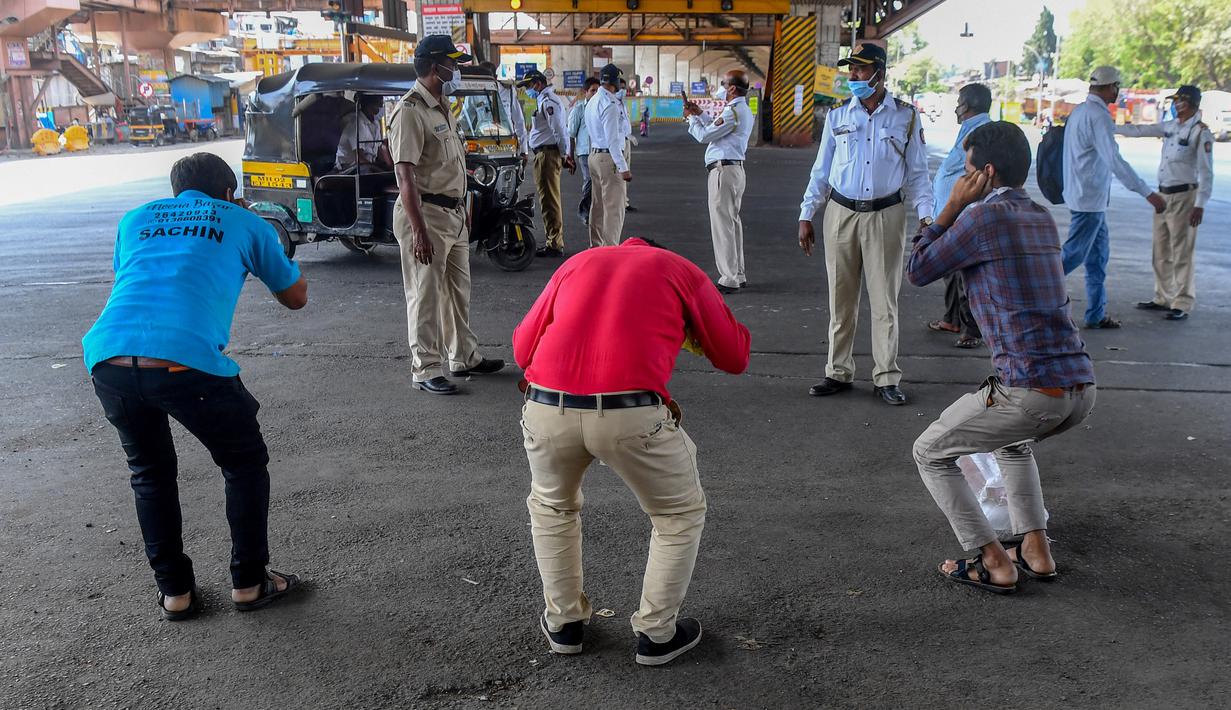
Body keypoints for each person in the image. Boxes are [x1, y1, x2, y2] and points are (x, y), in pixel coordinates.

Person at [82, 152, 309, 620]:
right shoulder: (243, 220)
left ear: (175, 192)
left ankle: (175, 594)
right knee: (244, 462)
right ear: (229, 192)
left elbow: (136, 280)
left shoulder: (135, 219)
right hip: (184, 360)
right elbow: (296, 298)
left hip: (109, 357)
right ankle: (249, 581)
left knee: (149, 472)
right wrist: (254, 237)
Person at [513, 238, 751, 666]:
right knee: (677, 515)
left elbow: (521, 347)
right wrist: (691, 326)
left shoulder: (578, 263)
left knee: (553, 508)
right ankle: (657, 634)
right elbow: (734, 355)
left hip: (546, 405)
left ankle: (564, 624)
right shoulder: (680, 269)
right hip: (631, 414)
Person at [906, 121, 1096, 595]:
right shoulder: (1039, 215)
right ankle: (1035, 548)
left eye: (965, 170)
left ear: (984, 173)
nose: (961, 178)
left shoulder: (981, 217)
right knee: (1011, 442)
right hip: (1079, 388)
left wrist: (950, 206)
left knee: (929, 452)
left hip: (1030, 390)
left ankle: (993, 559)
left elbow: (919, 269)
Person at [797, 43, 932, 406]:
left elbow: (919, 175)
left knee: (884, 301)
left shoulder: (906, 117)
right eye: (851, 70)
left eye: (859, 70)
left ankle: (886, 376)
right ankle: (837, 371)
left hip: (887, 216)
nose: (853, 76)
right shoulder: (838, 117)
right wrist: (807, 213)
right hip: (840, 214)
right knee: (840, 299)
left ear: (880, 73)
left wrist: (926, 217)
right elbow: (821, 171)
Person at [388, 35, 504, 395]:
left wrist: (463, 209)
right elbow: (404, 177)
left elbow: (452, 166)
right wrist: (418, 231)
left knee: (458, 291)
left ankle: (463, 357)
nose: (456, 69)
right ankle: (425, 368)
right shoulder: (410, 111)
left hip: (452, 215)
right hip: (425, 215)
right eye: (452, 63)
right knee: (425, 294)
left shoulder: (441, 107)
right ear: (435, 67)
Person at [1061, 65, 1166, 330]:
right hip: (1089, 200)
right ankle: (1031, 292)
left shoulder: (1080, 112)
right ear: (1110, 87)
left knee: (1097, 258)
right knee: (1072, 256)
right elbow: (1114, 161)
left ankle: (1096, 314)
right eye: (1117, 86)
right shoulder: (1097, 116)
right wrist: (1147, 192)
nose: (1118, 91)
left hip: (1086, 196)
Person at [1116, 84, 1214, 322]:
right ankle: (1163, 296)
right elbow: (1141, 130)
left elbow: (1206, 172)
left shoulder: (1200, 133)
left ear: (1189, 103)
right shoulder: (1171, 127)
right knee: (1160, 250)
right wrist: (1111, 127)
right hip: (1162, 195)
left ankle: (1182, 301)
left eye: (1179, 101)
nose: (1175, 104)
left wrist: (1200, 204)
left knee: (1182, 251)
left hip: (1184, 197)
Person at [928, 83, 992, 349]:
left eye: (959, 101)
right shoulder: (969, 129)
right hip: (951, 211)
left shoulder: (980, 132)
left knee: (966, 272)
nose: (956, 106)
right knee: (951, 270)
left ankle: (972, 329)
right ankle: (952, 318)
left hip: (964, 213)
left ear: (968, 105)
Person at [684, 70, 755, 294]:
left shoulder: (733, 111)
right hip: (733, 170)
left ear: (732, 88)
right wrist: (700, 113)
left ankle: (729, 277)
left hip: (723, 171)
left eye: (723, 83)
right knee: (732, 223)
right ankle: (738, 273)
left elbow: (705, 136)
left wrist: (690, 118)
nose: (720, 87)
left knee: (722, 224)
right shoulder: (740, 109)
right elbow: (717, 128)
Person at [519, 70, 572, 258]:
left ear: (538, 84)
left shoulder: (549, 101)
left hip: (548, 155)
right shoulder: (544, 100)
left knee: (550, 200)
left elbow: (559, 130)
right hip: (544, 154)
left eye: (527, 86)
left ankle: (555, 244)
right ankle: (553, 240)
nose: (526, 90)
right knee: (547, 199)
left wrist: (566, 155)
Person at [584, 63, 632, 247]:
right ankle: (610, 250)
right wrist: (623, 167)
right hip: (608, 159)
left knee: (598, 207)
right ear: (614, 81)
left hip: (594, 156)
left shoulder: (593, 100)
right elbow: (612, 140)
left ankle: (595, 246)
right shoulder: (610, 105)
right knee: (614, 208)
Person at [479, 61, 529, 164]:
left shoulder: (509, 92)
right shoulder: (474, 93)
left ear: (495, 76)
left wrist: (524, 150)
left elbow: (519, 121)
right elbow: (466, 119)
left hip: (506, 142)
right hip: (483, 142)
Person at [568, 77, 600, 226]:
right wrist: (571, 156)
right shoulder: (579, 109)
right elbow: (571, 134)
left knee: (598, 182)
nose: (595, 93)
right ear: (585, 92)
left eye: (598, 90)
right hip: (584, 152)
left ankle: (595, 211)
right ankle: (584, 211)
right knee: (589, 180)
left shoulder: (601, 108)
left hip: (600, 151)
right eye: (593, 90)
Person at [335, 93, 393, 173]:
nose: (381, 108)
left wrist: (387, 166)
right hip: (348, 167)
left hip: (367, 164)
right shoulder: (357, 124)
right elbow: (359, 158)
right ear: (369, 105)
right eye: (379, 105)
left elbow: (379, 150)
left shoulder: (375, 124)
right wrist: (378, 169)